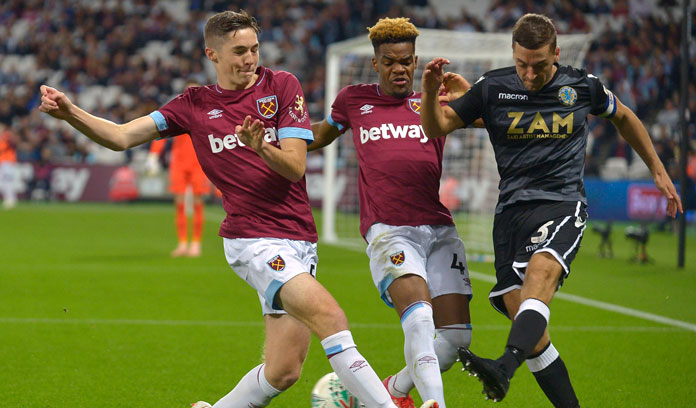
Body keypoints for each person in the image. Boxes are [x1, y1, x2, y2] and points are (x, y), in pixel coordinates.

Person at [38, 10, 437, 408]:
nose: (250, 59)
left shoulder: (281, 86)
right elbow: (123, 136)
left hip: (298, 238)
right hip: (253, 241)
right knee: (331, 319)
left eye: (254, 49)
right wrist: (70, 113)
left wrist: (261, 146)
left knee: (284, 370)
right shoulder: (193, 105)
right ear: (212, 54)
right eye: (239, 51)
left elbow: (295, 165)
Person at [419, 13, 682, 407]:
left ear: (556, 54)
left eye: (540, 65)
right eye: (522, 63)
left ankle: (504, 368)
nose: (529, 73)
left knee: (542, 274)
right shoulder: (492, 88)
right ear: (513, 54)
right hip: (510, 213)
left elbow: (624, 117)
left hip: (562, 202)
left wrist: (659, 171)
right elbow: (437, 127)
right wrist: (428, 91)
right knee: (526, 320)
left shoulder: (582, 86)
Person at [308, 17, 472, 408]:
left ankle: (394, 390)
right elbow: (321, 135)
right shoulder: (352, 100)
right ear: (376, 64)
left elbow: (489, 119)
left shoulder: (433, 101)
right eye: (391, 61)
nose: (400, 68)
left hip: (438, 228)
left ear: (416, 63)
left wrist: (472, 94)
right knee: (418, 319)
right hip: (389, 229)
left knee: (455, 340)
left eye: (407, 61)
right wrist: (272, 142)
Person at [146, 80, 211, 257]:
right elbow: (161, 131)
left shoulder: (207, 112)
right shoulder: (177, 110)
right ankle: (183, 243)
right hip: (179, 164)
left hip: (199, 163)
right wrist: (153, 155)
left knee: (198, 204)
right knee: (179, 204)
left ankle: (196, 243)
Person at [0, 124, 19, 209]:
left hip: (8, 161)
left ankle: (10, 199)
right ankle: (9, 199)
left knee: (7, 181)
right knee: (5, 182)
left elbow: (10, 144)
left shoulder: (6, 135)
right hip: (4, 162)